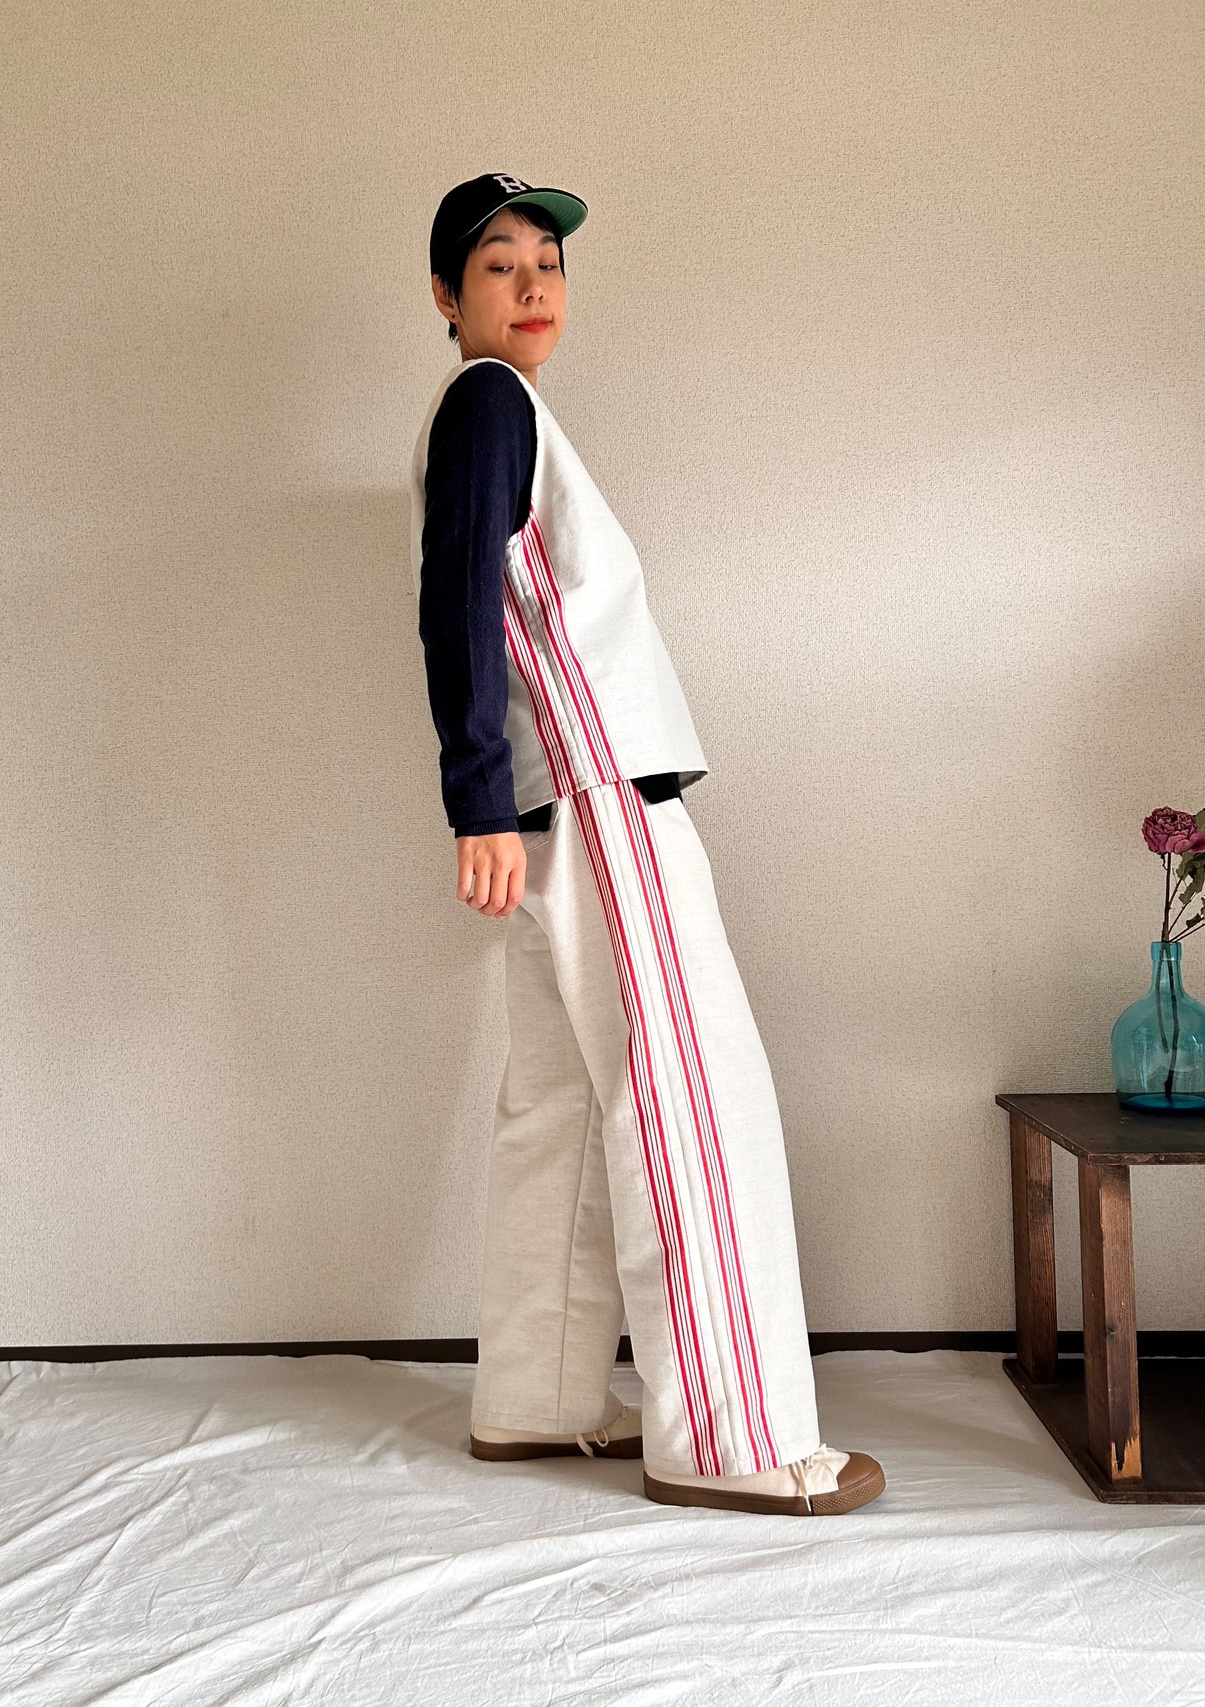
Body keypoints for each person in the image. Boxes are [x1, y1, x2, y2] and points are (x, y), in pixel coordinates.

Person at [408, 172, 886, 1516]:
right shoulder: (491, 402)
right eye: (498, 265)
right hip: (598, 800)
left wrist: (492, 798)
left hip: (558, 806)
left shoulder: (497, 414)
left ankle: (536, 1399)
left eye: (549, 262)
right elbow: (458, 600)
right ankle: (732, 1439)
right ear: (446, 295)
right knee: (690, 1094)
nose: (533, 285)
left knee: (560, 1109)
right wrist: (475, 795)